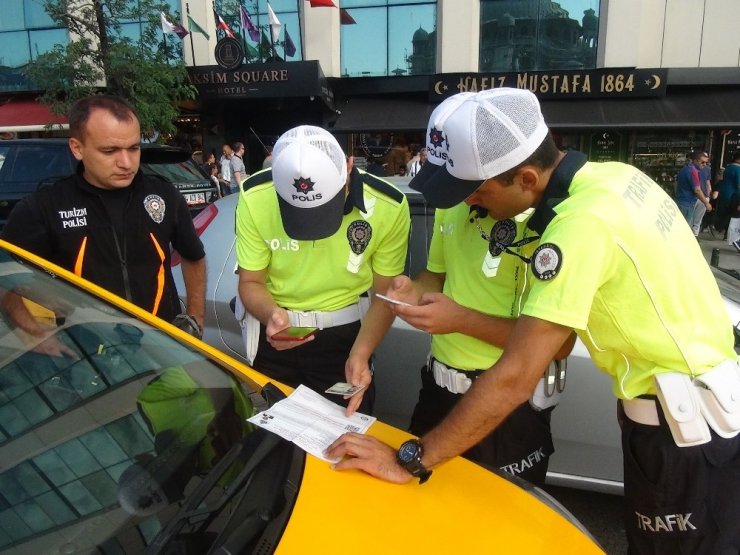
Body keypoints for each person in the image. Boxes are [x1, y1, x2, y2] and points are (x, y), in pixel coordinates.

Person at [327, 89, 740, 555]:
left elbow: (517, 375)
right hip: (691, 411)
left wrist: (411, 460)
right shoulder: (615, 177)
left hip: (685, 429)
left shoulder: (579, 225)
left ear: (525, 177)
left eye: (479, 191)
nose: (474, 204)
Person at [394, 96, 574, 485]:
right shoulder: (457, 200)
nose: (466, 199)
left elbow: (557, 345)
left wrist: (459, 320)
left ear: (525, 179)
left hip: (507, 408)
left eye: (475, 189)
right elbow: (435, 276)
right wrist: (412, 290)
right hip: (437, 391)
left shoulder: (565, 226)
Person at [235, 125, 410, 416]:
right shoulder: (255, 195)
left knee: (345, 441)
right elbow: (251, 281)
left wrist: (361, 354)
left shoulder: (388, 205)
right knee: (274, 443)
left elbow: (385, 294)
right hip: (277, 339)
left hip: (347, 340)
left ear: (349, 165)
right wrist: (271, 316)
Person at [0, 95, 206, 337]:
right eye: (110, 151)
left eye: (134, 148)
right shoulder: (45, 206)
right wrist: (31, 332)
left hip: (162, 346)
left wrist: (195, 319)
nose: (126, 162)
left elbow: (194, 255)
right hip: (91, 356)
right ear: (77, 148)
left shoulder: (163, 195)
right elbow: (6, 275)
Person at [675, 150, 711, 235]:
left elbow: (676, 183)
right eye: (703, 162)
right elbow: (697, 190)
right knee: (685, 230)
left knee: (682, 227)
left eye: (706, 163)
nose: (705, 165)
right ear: (695, 160)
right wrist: (706, 203)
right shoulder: (692, 171)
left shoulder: (685, 169)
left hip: (682, 201)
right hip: (687, 203)